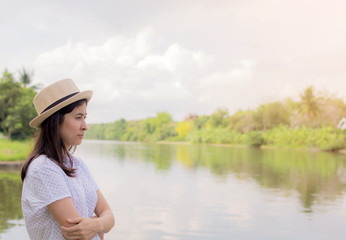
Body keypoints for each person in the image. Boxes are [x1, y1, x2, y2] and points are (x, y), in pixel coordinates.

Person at [21, 78, 115, 240]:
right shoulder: (43, 167)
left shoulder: (78, 164)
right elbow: (78, 234)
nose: (85, 125)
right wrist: (98, 226)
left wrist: (95, 225)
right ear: (56, 121)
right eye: (78, 117)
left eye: (85, 117)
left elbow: (109, 216)